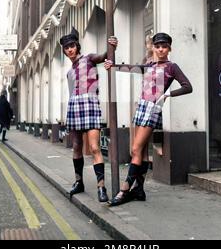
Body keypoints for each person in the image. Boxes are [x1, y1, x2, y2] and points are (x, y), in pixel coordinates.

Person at [104, 32, 193, 206]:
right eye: (158, 46)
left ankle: (124, 190)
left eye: (164, 46)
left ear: (169, 49)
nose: (161, 49)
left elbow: (188, 87)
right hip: (142, 106)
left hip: (153, 108)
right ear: (153, 47)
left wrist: (167, 94)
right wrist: (112, 65)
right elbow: (131, 68)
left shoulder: (171, 66)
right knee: (141, 151)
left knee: (135, 149)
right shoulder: (149, 64)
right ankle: (139, 190)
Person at [60, 32, 117, 203]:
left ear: (77, 46)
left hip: (90, 105)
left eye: (72, 46)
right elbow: (71, 92)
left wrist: (111, 46)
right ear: (64, 51)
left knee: (94, 147)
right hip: (74, 107)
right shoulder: (69, 72)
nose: (70, 50)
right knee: (77, 146)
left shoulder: (89, 59)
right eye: (66, 48)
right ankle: (79, 182)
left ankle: (101, 187)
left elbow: (103, 56)